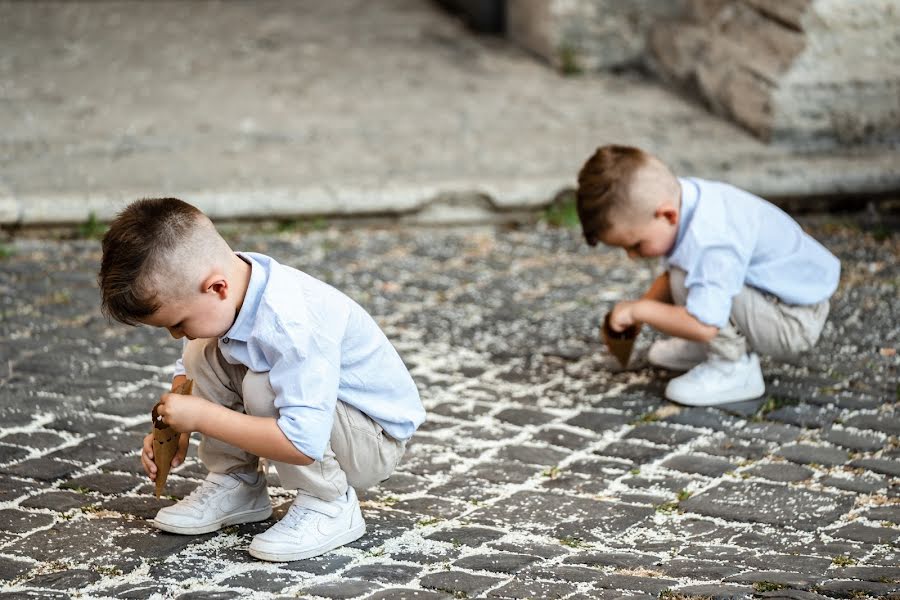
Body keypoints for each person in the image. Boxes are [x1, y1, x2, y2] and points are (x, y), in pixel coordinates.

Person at [98, 198, 425, 562]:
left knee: (263, 384)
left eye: (178, 323)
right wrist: (177, 427)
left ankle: (329, 503)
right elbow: (189, 370)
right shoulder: (236, 284)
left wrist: (202, 418)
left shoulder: (291, 325)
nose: (176, 335)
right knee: (200, 352)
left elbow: (302, 442)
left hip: (372, 440)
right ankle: (238, 483)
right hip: (323, 422)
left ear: (216, 288)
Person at [576, 145, 840, 406]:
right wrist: (638, 315)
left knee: (702, 291)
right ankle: (709, 349)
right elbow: (673, 279)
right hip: (774, 298)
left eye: (635, 245)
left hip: (793, 320)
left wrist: (639, 311)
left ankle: (732, 368)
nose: (632, 256)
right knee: (684, 275)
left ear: (667, 215)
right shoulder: (685, 200)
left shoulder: (712, 240)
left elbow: (703, 324)